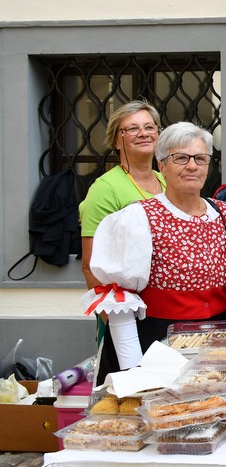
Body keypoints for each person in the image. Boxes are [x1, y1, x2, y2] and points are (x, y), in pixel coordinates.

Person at [83, 123, 226, 369]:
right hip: (157, 343)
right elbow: (121, 300)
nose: (192, 166)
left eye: (200, 159)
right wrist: (132, 368)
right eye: (180, 158)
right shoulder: (138, 218)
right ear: (162, 166)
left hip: (218, 339)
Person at [78, 100, 165, 381]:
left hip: (161, 310)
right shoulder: (105, 189)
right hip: (124, 315)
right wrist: (114, 320)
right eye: (132, 129)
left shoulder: (165, 182)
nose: (143, 133)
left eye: (149, 127)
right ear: (117, 140)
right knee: (126, 390)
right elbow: (91, 265)